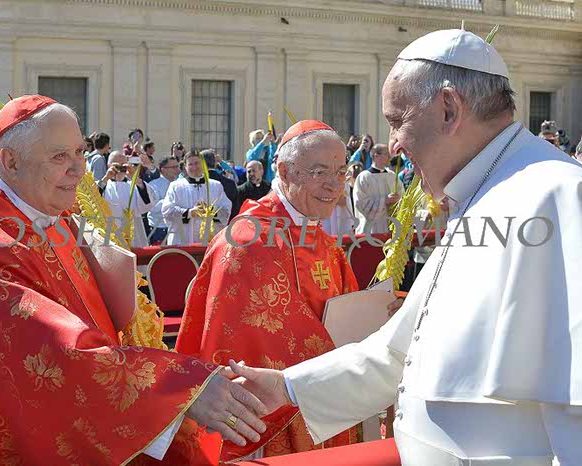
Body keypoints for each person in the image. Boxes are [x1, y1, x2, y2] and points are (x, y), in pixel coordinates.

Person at [226, 28, 582, 465]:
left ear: (448, 109)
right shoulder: (476, 193)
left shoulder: (561, 195)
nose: (392, 143)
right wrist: (286, 387)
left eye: (397, 121)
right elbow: (398, 352)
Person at [0, 95, 269, 464]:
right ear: (11, 160)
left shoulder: (49, 216)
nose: (79, 170)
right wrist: (180, 388)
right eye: (59, 157)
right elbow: (53, 357)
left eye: (80, 153)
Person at [176, 120, 377, 462]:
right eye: (319, 172)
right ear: (284, 172)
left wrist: (377, 318)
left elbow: (348, 312)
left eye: (341, 172)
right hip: (268, 425)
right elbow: (244, 345)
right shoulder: (246, 242)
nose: (334, 185)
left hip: (322, 403)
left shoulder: (323, 241)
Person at [161, 150, 231, 245]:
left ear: (203, 164)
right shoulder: (176, 186)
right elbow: (167, 211)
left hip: (209, 239)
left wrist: (211, 211)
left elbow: (226, 210)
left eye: (197, 163)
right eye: (190, 164)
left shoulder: (215, 186)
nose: (194, 167)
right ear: (185, 167)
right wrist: (189, 213)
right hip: (182, 240)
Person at [101, 151, 156, 248]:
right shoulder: (104, 184)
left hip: (134, 236)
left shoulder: (134, 185)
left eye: (123, 165)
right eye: (116, 165)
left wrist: (135, 178)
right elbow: (94, 198)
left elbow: (147, 205)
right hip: (110, 236)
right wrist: (106, 178)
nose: (119, 168)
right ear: (108, 165)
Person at [353, 143, 404, 234]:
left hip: (391, 228)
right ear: (376, 156)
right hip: (371, 230)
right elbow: (361, 203)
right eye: (386, 154)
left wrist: (398, 199)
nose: (389, 157)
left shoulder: (392, 176)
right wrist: (384, 201)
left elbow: (402, 196)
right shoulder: (364, 177)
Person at [148, 156, 181, 244]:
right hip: (159, 228)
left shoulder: (181, 184)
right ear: (163, 170)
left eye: (178, 166)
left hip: (178, 227)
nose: (178, 170)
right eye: (174, 167)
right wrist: (171, 200)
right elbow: (152, 207)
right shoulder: (154, 185)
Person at [201, 149, 239, 219]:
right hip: (225, 222)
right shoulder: (230, 183)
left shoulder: (196, 183)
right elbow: (235, 209)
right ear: (215, 162)